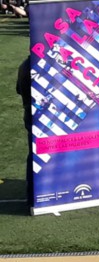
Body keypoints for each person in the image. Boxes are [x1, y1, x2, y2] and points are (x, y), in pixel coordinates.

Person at [16, 56, 33, 208]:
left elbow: (18, 90)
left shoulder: (24, 65)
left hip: (29, 113)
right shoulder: (37, 66)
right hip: (37, 115)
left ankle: (32, 193)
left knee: (34, 153)